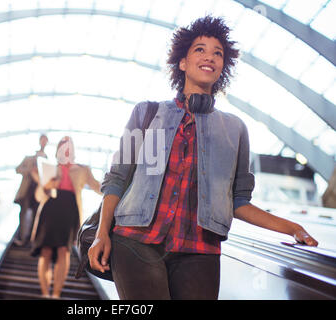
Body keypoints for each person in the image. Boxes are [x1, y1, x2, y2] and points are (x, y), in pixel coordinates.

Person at [88, 16, 318, 300]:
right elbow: (117, 180)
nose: (209, 56)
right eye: (200, 49)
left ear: (223, 67)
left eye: (217, 53)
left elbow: (239, 202)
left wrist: (292, 227)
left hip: (200, 252)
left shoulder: (234, 130)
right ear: (182, 62)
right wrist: (101, 234)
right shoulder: (146, 113)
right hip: (136, 242)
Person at [31, 136, 102, 298]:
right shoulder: (50, 168)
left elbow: (98, 187)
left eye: (69, 147)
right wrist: (46, 185)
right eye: (63, 147)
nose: (66, 150)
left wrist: (117, 190)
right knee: (46, 251)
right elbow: (39, 196)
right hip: (50, 209)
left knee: (64, 250)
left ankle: (55, 294)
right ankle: (44, 293)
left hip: (70, 211)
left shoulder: (83, 169)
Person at [13, 134, 48, 246]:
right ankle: (22, 238)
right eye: (42, 140)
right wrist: (30, 170)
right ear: (39, 141)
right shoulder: (29, 158)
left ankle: (30, 240)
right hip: (26, 191)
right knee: (23, 214)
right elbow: (18, 169)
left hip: (39, 192)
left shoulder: (47, 160)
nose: (43, 143)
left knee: (36, 217)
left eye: (45, 141)